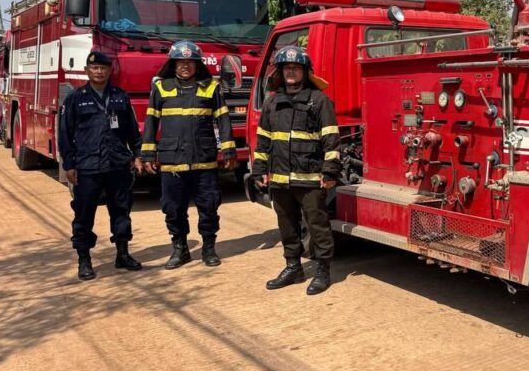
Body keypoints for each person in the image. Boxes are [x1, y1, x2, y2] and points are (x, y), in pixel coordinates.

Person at [253, 45, 341, 295]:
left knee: (317, 225)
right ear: (280, 72)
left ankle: (323, 270)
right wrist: (259, 169)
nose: (291, 72)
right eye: (287, 68)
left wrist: (330, 172)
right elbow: (263, 140)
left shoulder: (319, 100)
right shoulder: (272, 102)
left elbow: (331, 139)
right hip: (280, 178)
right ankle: (293, 267)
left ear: (305, 71)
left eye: (296, 68)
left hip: (311, 178)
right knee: (287, 225)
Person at [141, 41, 235, 269]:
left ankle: (209, 248)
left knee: (209, 206)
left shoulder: (211, 87)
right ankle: (180, 249)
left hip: (204, 159)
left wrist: (229, 150)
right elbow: (151, 122)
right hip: (172, 161)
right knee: (173, 208)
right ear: (173, 64)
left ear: (197, 64)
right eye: (181, 62)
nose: (186, 66)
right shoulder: (161, 87)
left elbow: (223, 120)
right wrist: (147, 154)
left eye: (190, 62)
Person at [58, 51, 144, 280]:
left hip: (117, 165)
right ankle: (84, 260)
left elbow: (132, 130)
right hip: (87, 167)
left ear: (109, 70)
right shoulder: (75, 99)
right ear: (87, 70)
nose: (99, 71)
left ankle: (122, 254)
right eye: (94, 68)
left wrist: (137, 155)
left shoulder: (120, 97)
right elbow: (65, 135)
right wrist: (69, 164)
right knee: (84, 214)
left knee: (121, 211)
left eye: (103, 68)